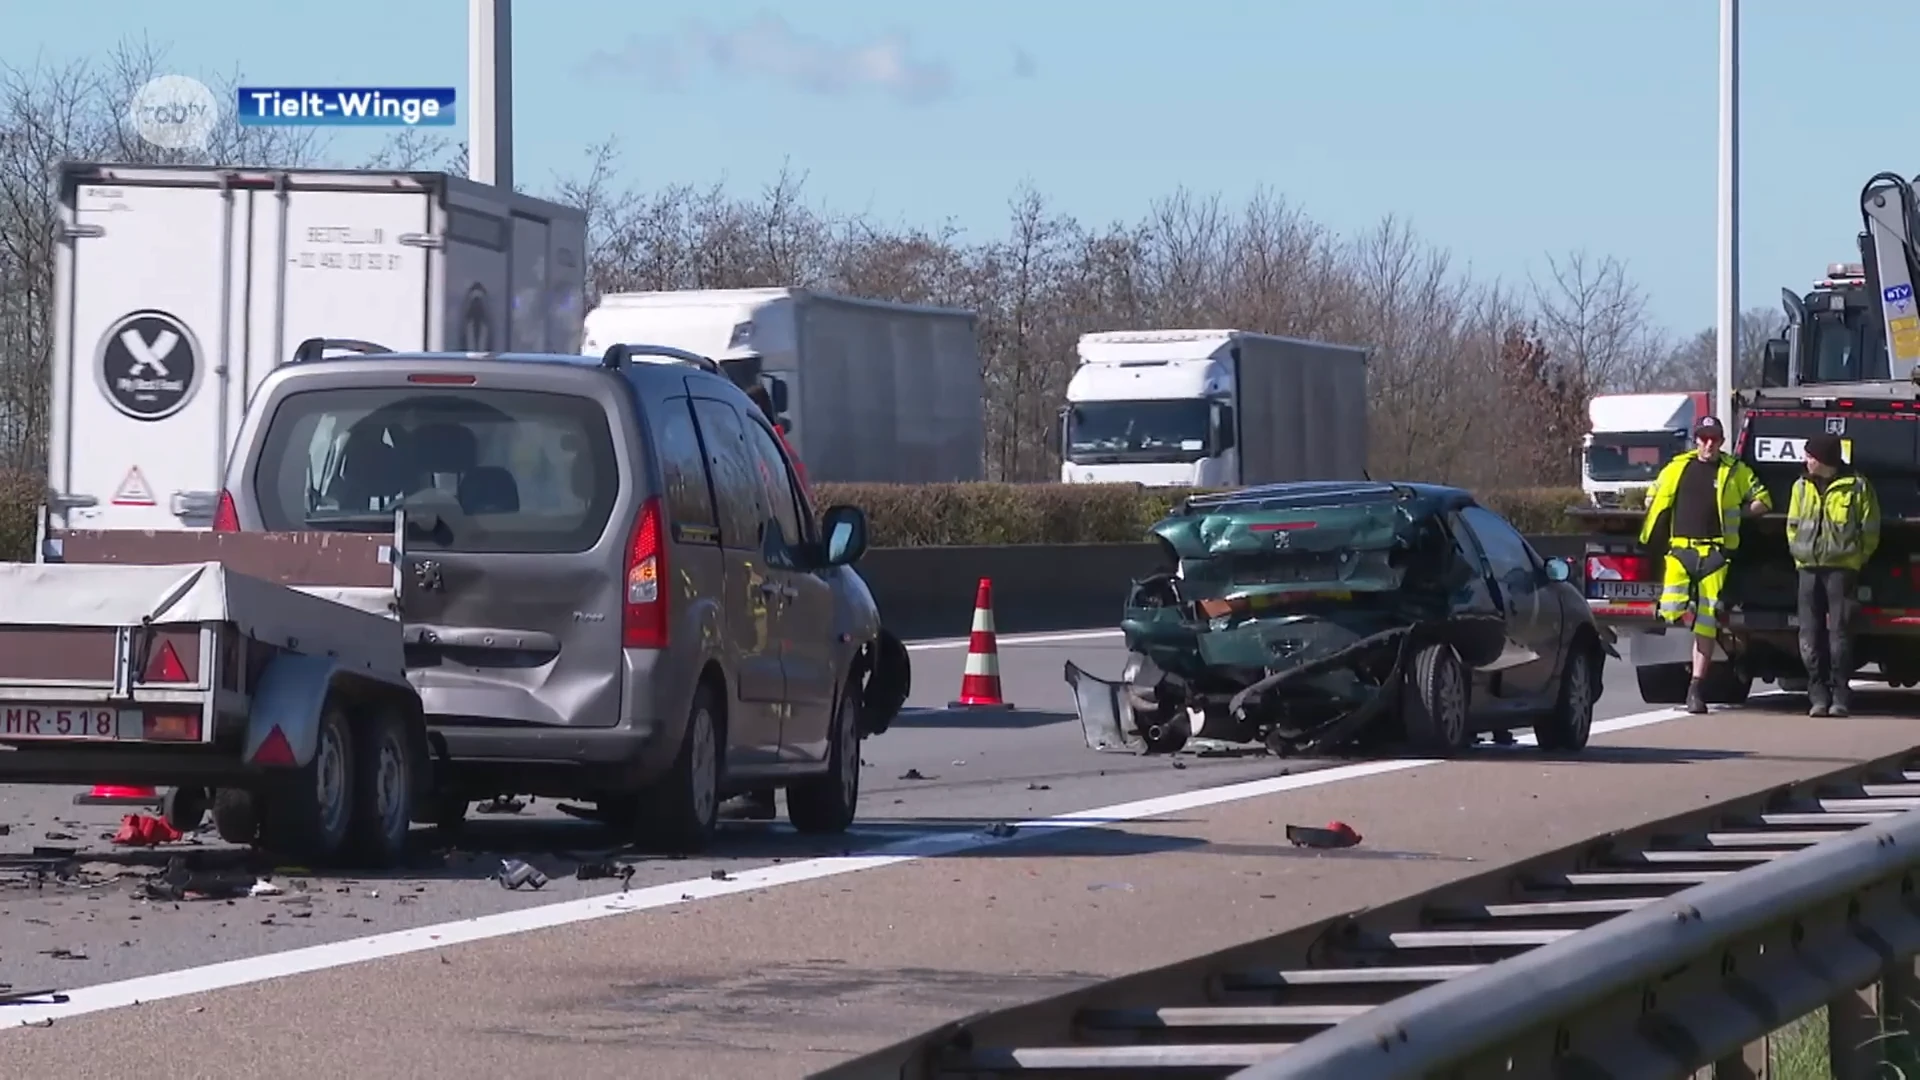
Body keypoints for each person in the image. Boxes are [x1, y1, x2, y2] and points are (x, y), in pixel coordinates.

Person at [1639, 415, 1772, 714]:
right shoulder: (1676, 467)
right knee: (1670, 610)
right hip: (1680, 552)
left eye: (1714, 438)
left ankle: (1696, 688)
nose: (1708, 443)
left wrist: (1739, 513)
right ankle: (1693, 647)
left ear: (1722, 441)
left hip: (1714, 555)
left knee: (1708, 620)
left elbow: (1763, 500)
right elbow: (1652, 496)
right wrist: (1652, 506)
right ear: (1696, 439)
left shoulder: (1735, 471)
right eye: (1703, 437)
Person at [1787, 434, 1880, 717]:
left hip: (1842, 570)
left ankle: (1840, 693)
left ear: (1825, 459)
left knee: (1839, 634)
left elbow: (1870, 528)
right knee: (1809, 633)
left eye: (1810, 456)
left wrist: (1856, 558)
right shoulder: (1801, 486)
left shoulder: (1858, 487)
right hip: (1808, 569)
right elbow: (1792, 524)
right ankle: (1817, 694)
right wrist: (1798, 553)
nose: (1806, 460)